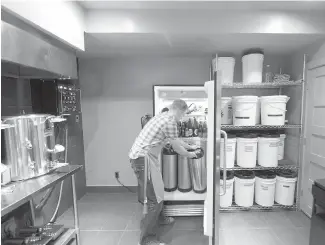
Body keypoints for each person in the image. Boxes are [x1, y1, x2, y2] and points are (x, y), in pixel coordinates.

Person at [129, 99, 199, 245]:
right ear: (180, 110)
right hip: (143, 160)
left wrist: (191, 146)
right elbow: (177, 148)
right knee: (154, 199)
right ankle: (147, 239)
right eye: (183, 114)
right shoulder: (170, 121)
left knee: (158, 190)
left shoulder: (163, 115)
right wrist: (192, 155)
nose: (182, 118)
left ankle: (160, 219)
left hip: (143, 158)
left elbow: (176, 140)